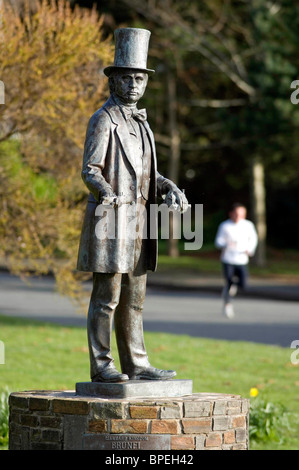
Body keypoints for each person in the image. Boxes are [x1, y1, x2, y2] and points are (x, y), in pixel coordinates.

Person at [76, 28, 188, 383]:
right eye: (127, 78)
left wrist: (171, 188)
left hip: (140, 223)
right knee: (107, 296)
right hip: (111, 220)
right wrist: (105, 191)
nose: (134, 85)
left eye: (139, 79)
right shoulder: (103, 120)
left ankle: (137, 363)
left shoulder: (145, 125)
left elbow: (148, 176)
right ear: (113, 81)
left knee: (135, 298)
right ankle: (102, 364)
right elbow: (90, 169)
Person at [215, 203, 258, 318]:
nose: (239, 217)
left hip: (241, 260)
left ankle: (233, 284)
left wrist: (250, 250)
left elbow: (253, 239)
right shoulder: (225, 226)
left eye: (241, 214)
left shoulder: (248, 225)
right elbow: (218, 241)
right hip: (228, 259)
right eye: (236, 214)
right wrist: (226, 244)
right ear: (231, 214)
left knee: (244, 284)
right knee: (228, 283)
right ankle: (227, 305)